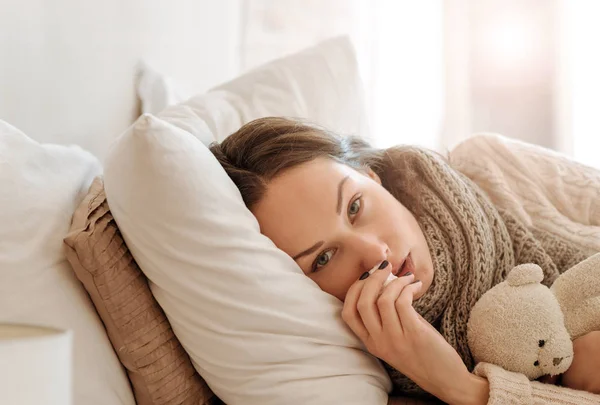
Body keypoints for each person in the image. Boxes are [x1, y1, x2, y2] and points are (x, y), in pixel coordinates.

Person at [209, 117, 600, 405]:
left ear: (372, 176)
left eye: (355, 206)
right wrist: (462, 388)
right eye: (324, 258)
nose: (375, 254)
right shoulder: (381, 379)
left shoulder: (488, 163)